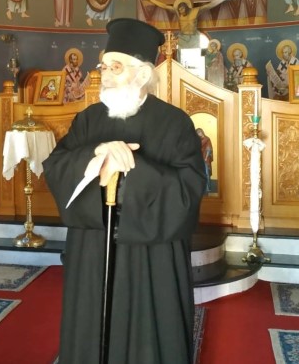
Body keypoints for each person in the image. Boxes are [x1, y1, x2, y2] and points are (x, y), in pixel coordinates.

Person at [42, 18, 206, 364]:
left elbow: (188, 192)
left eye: (115, 67)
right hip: (92, 252)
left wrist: (132, 169)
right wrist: (96, 158)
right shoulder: (88, 119)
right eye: (103, 66)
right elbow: (56, 166)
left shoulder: (175, 124)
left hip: (151, 260)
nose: (104, 74)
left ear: (142, 74)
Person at [196, 127, 214, 192]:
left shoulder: (207, 139)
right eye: (197, 133)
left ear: (202, 132)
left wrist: (206, 158)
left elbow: (209, 149)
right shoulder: (198, 140)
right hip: (199, 158)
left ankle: (207, 187)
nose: (199, 134)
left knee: (206, 173)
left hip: (205, 159)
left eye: (199, 132)